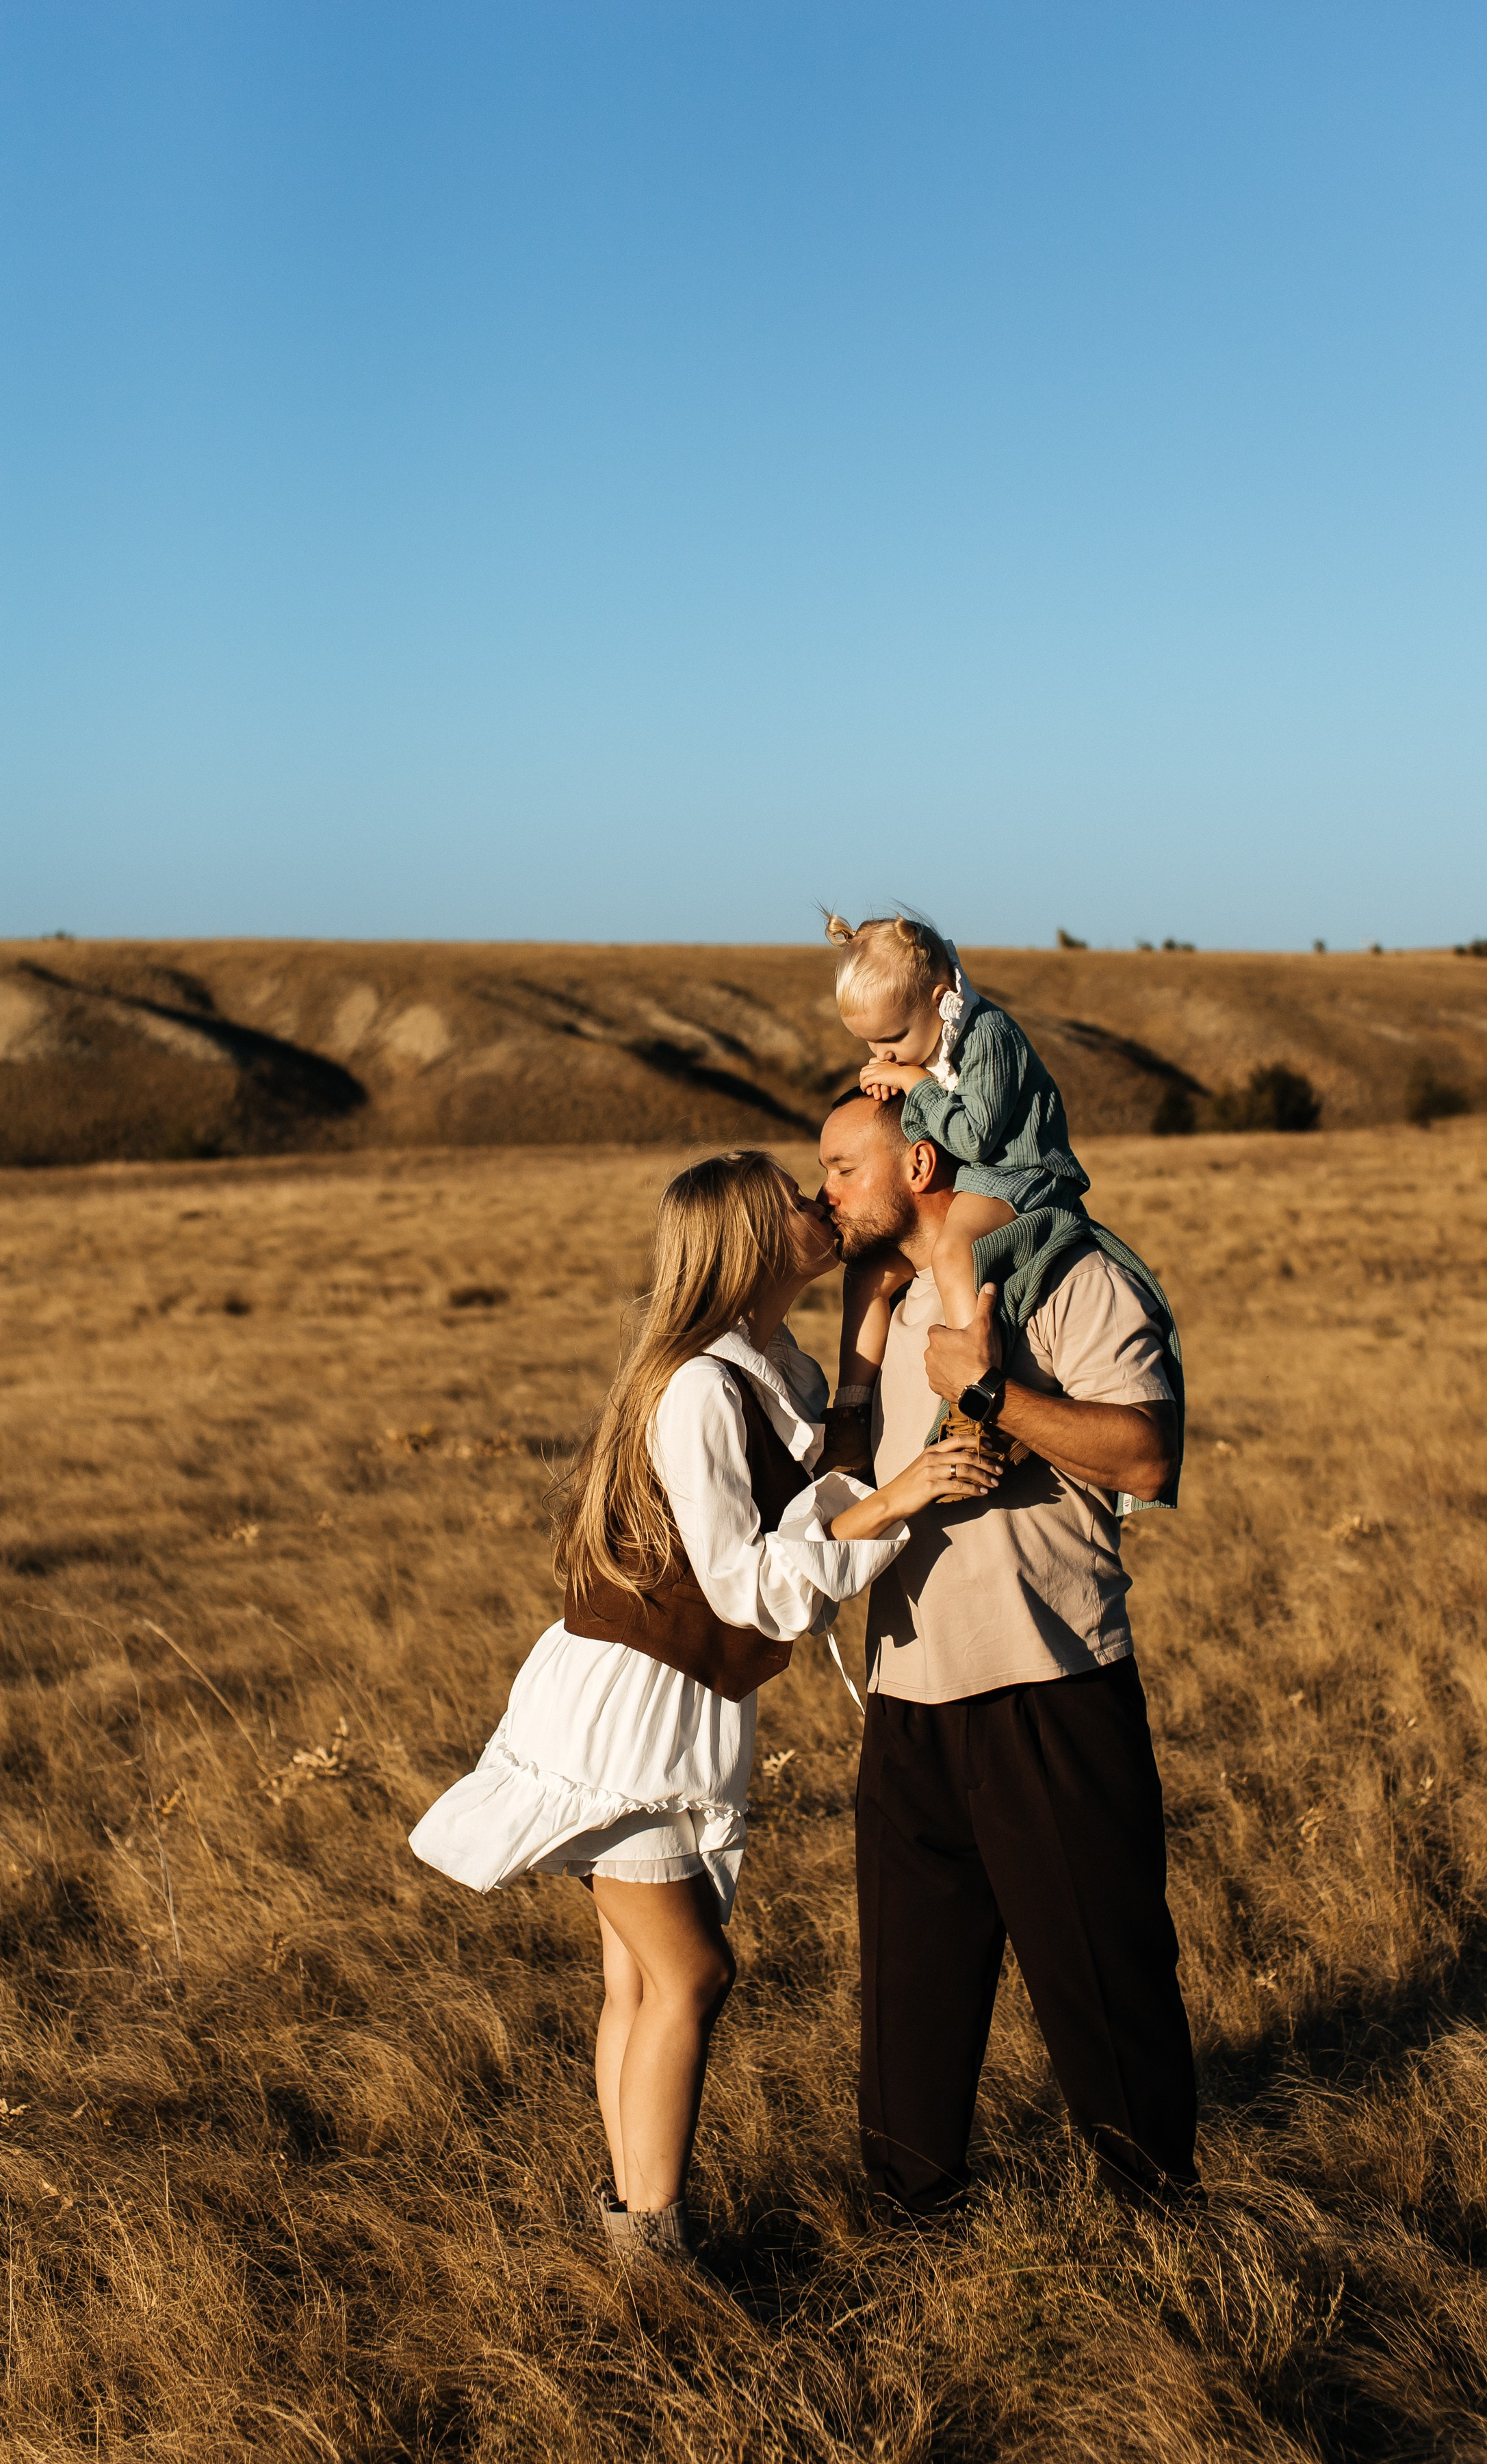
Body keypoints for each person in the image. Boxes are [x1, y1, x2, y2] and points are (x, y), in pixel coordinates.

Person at [409, 1149, 998, 2260]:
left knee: (636, 1978)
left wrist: (869, 1318)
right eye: (795, 1201)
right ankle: (657, 2250)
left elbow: (828, 1459)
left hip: (683, 1703)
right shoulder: (694, 1386)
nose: (821, 1204)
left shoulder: (764, 1359)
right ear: (744, 1242)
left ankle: (635, 2230)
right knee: (694, 1971)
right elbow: (746, 1580)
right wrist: (908, 1496)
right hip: (628, 1712)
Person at [818, 1090, 1199, 2211]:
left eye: (844, 1166)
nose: (825, 1191)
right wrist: (858, 1329)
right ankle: (907, 2220)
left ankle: (1157, 2216)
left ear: (922, 1162)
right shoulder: (880, 1308)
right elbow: (842, 1484)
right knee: (906, 1994)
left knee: (1103, 1979)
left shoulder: (1070, 1277)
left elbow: (1147, 1456)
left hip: (1049, 1685)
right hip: (906, 1692)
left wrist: (988, 1392)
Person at [822, 912, 1094, 1461]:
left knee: (953, 1252)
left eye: (893, 1038)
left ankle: (976, 1395)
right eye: (871, 1044)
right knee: (875, 1270)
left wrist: (915, 1084)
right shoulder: (936, 1043)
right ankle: (851, 1419)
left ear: (943, 1000)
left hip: (1021, 1172)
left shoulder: (988, 1036)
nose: (885, 1056)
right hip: (985, 1171)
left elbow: (971, 1137)